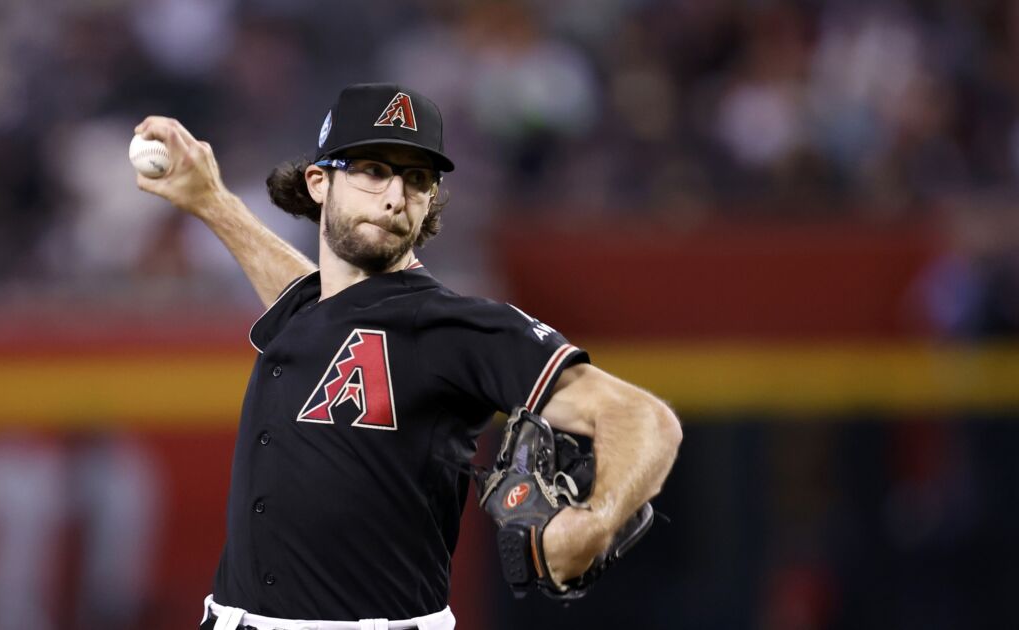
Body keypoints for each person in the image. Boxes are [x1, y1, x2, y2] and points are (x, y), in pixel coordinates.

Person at [134, 83, 681, 630]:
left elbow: (644, 418)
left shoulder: (451, 325)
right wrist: (212, 202)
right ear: (319, 182)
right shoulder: (312, 310)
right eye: (373, 171)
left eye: (417, 179)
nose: (395, 195)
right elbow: (312, 297)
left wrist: (593, 525)